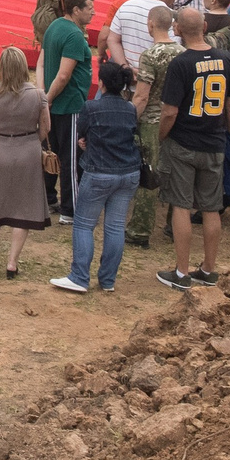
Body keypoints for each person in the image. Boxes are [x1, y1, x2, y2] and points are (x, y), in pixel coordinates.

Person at [155, 7, 230, 289]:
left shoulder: (181, 63)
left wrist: (161, 137)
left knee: (181, 206)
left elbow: (169, 112)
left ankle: (182, 272)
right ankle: (209, 270)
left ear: (177, 29)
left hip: (184, 142)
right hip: (215, 141)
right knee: (212, 208)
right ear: (204, 25)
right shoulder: (225, 58)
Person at [51, 59, 145, 296]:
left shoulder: (91, 107)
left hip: (99, 172)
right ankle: (108, 279)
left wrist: (85, 143)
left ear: (101, 83)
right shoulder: (131, 109)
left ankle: (80, 276)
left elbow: (82, 133)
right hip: (128, 173)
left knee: (84, 224)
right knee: (115, 227)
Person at [0, 46, 49, 280]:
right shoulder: (38, 96)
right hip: (27, 151)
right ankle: (12, 263)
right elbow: (45, 129)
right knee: (23, 208)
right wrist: (29, 141)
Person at [37, 0, 95, 222]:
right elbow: (64, 75)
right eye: (89, 9)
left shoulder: (53, 26)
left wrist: (42, 96)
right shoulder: (73, 35)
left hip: (51, 104)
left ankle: (47, 198)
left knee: (49, 153)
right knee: (71, 160)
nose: (93, 13)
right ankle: (70, 209)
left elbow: (41, 62)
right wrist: (48, 99)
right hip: (68, 105)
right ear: (75, 9)